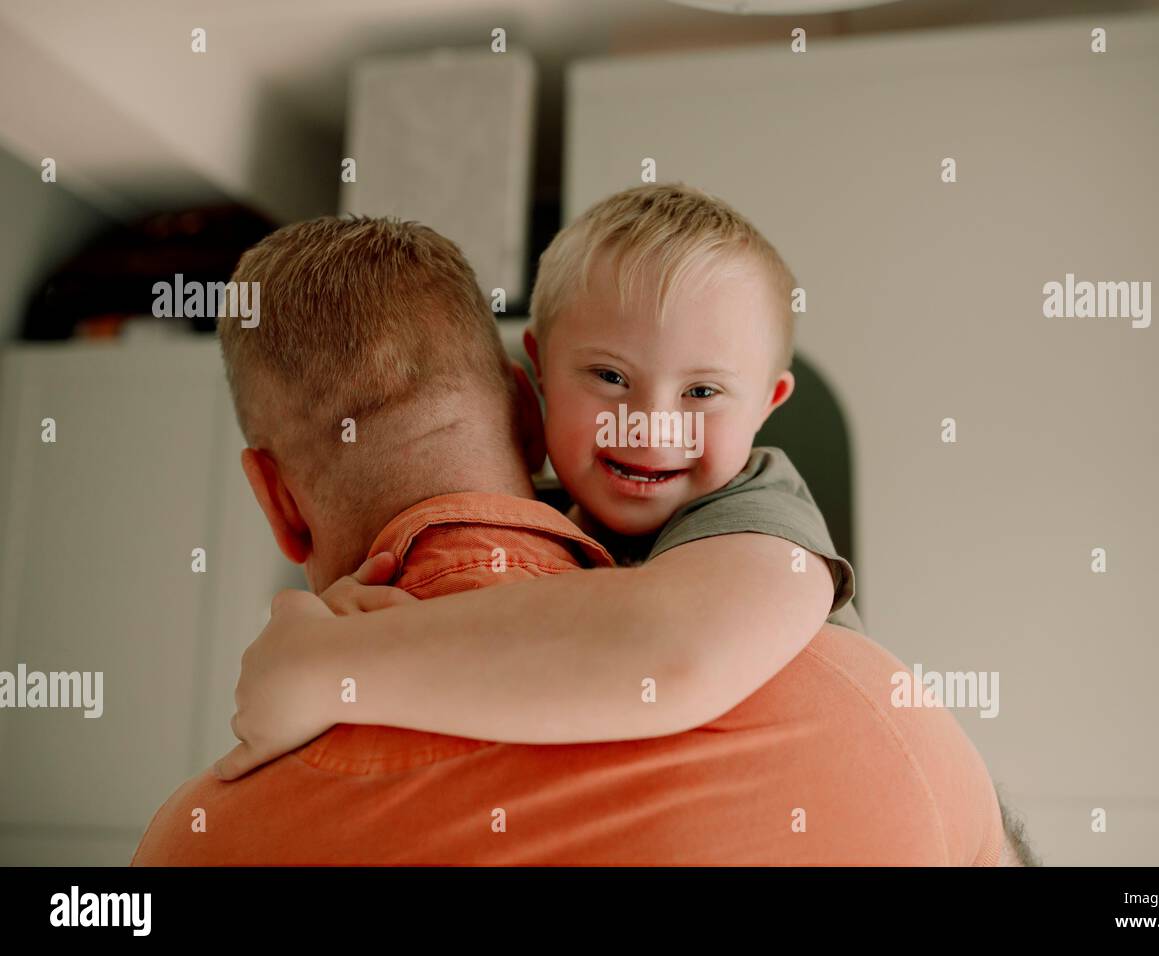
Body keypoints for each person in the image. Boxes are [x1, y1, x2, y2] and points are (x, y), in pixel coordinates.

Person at [132, 214, 1018, 865]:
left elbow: (670, 651)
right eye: (608, 377)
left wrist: (335, 665)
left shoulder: (759, 519)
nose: (649, 427)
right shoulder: (878, 716)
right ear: (533, 400)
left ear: (275, 499)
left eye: (703, 394)